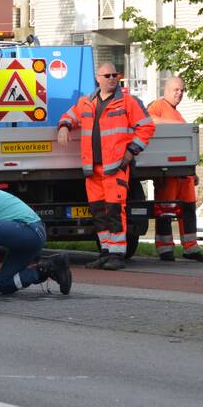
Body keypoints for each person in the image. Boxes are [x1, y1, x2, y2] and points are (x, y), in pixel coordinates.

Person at [57, 63, 155, 270]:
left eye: (115, 75)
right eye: (108, 75)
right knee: (99, 212)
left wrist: (131, 151)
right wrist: (64, 127)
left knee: (114, 211)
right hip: (92, 169)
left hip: (115, 167)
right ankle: (105, 252)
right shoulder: (86, 102)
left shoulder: (127, 102)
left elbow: (146, 126)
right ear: (98, 78)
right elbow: (69, 116)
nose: (112, 78)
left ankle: (117, 255)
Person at [148, 77, 203, 262]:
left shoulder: (178, 115)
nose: (179, 93)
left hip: (183, 173)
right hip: (168, 172)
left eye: (182, 90)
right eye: (176, 90)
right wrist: (179, 126)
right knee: (165, 209)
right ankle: (165, 248)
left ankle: (191, 247)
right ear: (166, 89)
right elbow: (149, 120)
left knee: (188, 209)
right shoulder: (158, 106)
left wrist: (193, 172)